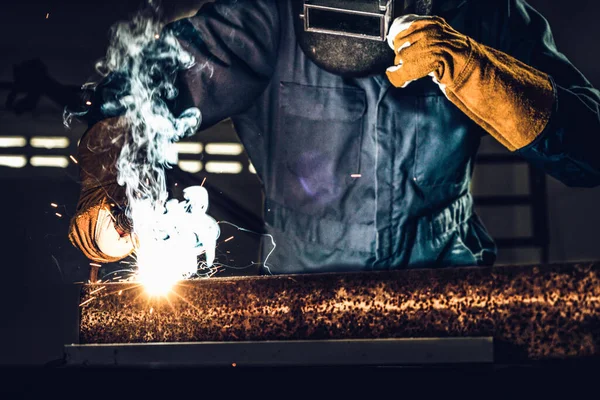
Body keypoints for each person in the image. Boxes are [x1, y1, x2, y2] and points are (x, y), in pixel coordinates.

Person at [69, 0, 600, 274]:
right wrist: (107, 178)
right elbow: (134, 96)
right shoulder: (263, 15)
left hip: (446, 287)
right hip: (300, 303)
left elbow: (590, 151)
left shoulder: (486, 13)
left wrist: (478, 71)